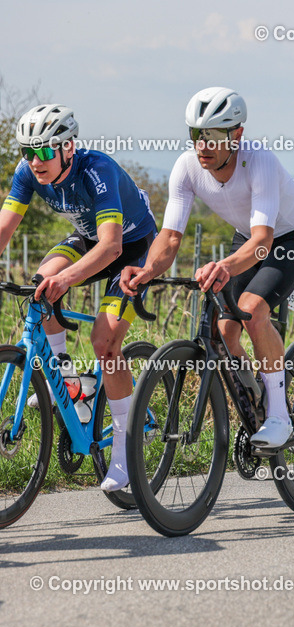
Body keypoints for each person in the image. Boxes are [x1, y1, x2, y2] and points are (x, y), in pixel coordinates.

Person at [122, 87, 294, 450]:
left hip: (292, 239)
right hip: (246, 237)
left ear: (237, 135)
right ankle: (258, 396)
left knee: (254, 311)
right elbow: (169, 237)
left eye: (212, 137)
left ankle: (279, 415)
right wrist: (147, 270)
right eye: (196, 135)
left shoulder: (259, 160)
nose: (203, 146)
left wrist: (224, 265)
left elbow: (264, 240)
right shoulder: (186, 168)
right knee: (227, 332)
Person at [0, 104, 157, 492]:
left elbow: (111, 246)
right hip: (89, 238)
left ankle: (125, 445)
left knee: (104, 343)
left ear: (68, 147)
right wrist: (55, 280)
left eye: (43, 151)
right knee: (40, 287)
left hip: (131, 247)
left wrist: (66, 278)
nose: (34, 161)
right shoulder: (28, 173)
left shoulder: (96, 171)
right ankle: (69, 381)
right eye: (27, 151)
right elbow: (4, 227)